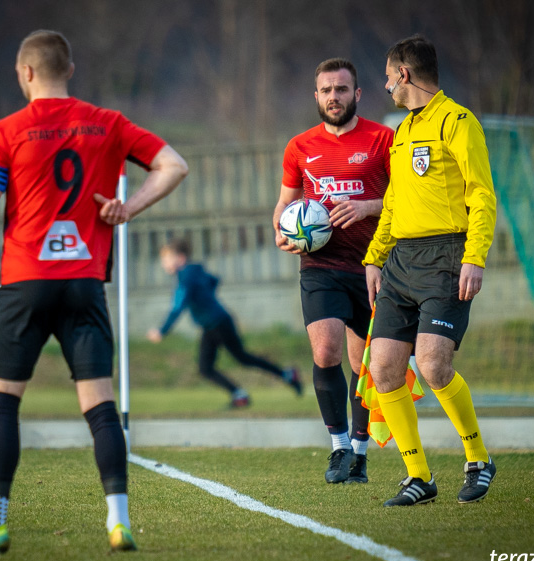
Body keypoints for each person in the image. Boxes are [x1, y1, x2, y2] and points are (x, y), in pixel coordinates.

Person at [0, 30, 188, 557]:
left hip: (25, 282)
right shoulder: (109, 123)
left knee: (1, 404)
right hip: (83, 283)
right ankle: (118, 521)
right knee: (100, 408)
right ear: (69, 71)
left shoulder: (5, 131)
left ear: (25, 73)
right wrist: (128, 207)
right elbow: (174, 165)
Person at [363, 34, 498, 506]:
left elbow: (481, 194)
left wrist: (474, 256)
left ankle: (478, 459)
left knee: (435, 365)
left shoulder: (459, 122)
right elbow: (395, 202)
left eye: (386, 76)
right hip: (401, 260)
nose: (385, 85)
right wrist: (375, 257)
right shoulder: (401, 131)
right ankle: (418, 476)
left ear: (404, 74)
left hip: (447, 257)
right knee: (384, 369)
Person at [273, 58, 394, 484]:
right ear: (316, 96)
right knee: (325, 352)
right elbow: (284, 205)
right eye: (326, 90)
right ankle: (339, 448)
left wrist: (368, 206)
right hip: (321, 266)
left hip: (372, 267)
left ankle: (360, 454)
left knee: (368, 367)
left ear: (357, 94)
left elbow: (408, 199)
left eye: (342, 89)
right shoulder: (299, 146)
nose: (334, 97)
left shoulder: (383, 139)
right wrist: (282, 232)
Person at [147, 238, 303, 407]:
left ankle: (283, 376)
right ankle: (241, 394)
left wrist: (162, 331)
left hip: (218, 323)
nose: (164, 263)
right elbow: (214, 280)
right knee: (208, 367)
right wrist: (205, 298)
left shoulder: (185, 277)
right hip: (212, 324)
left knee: (239, 359)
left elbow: (177, 307)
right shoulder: (194, 271)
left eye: (167, 258)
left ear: (181, 258)